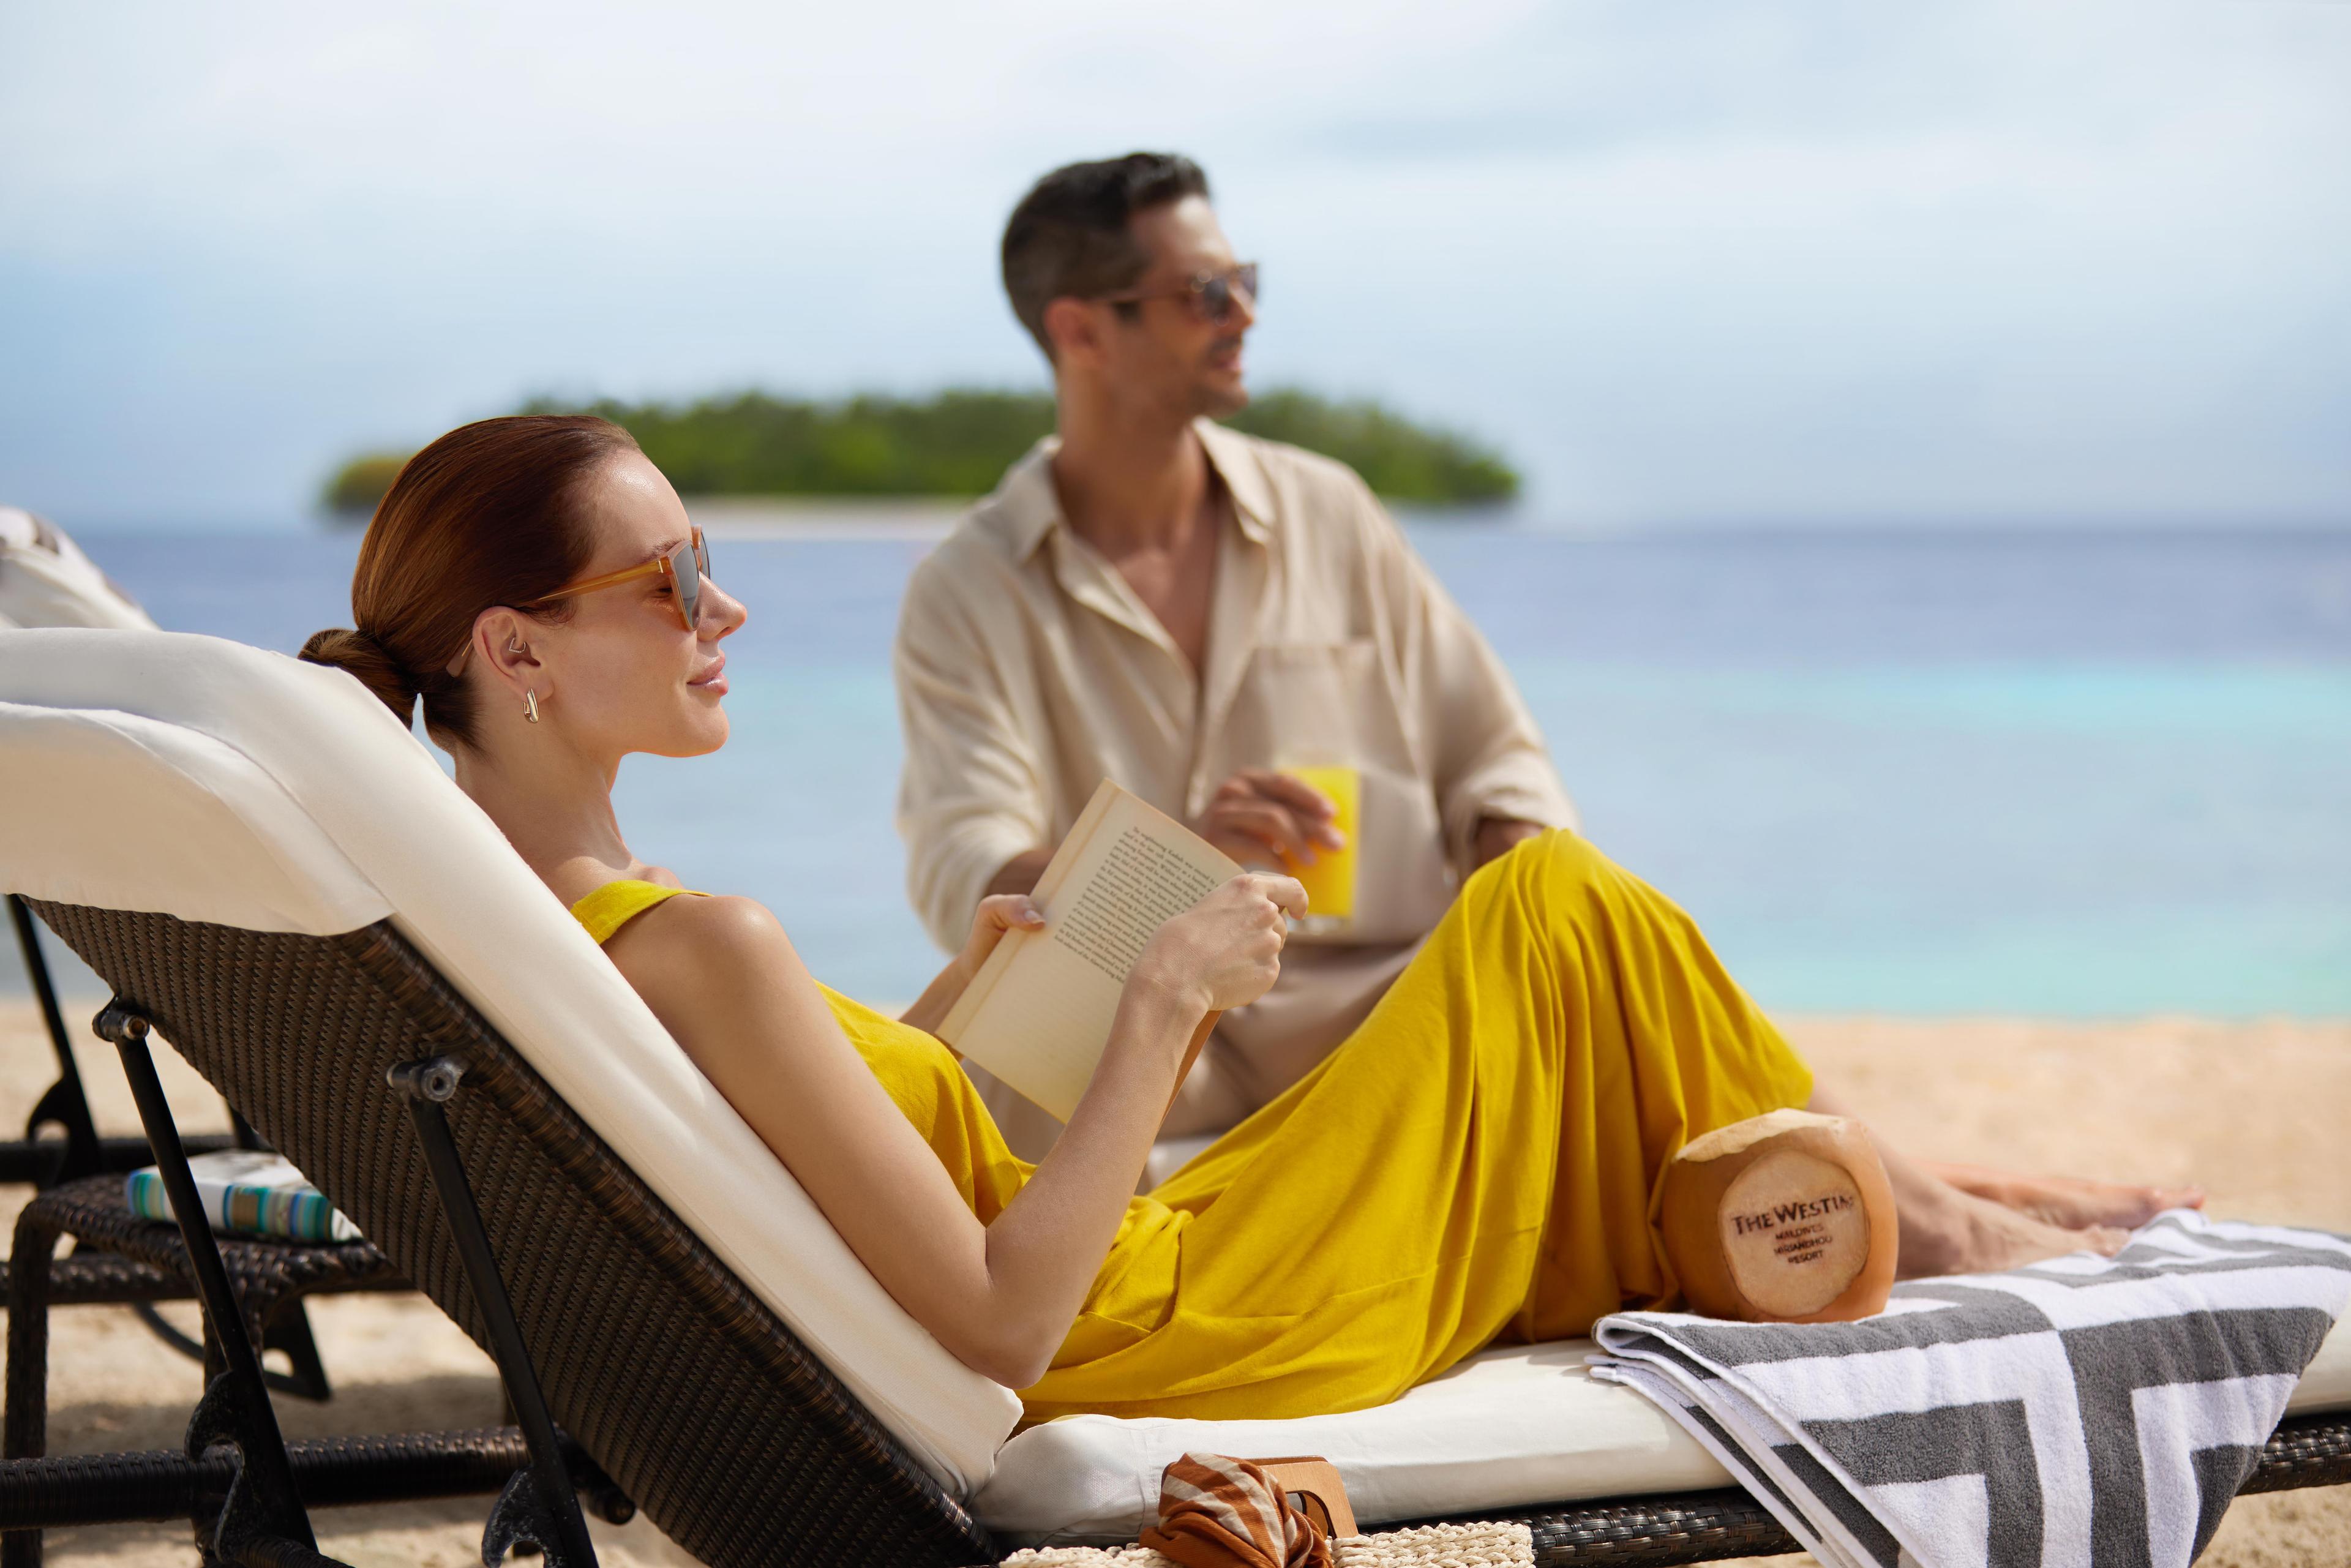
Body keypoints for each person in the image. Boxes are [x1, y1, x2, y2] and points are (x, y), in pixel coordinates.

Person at [301, 413, 2199, 1423]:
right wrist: (1161, 1007)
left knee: (1559, 952)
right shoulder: (695, 939)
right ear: (514, 650)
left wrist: (1035, 945)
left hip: (1168, 1263)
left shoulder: (555, 926)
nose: (722, 610)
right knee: (1550, 904)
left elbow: (877, 1153)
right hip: (1185, 1309)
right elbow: (1000, 1329)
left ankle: (1895, 1189)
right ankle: (1914, 1204)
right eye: (671, 576)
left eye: (710, 568)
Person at [894, 153, 1576, 1161]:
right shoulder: (969, 587)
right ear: (1080, 330)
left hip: (1382, 1001)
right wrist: (1172, 876)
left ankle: (1896, 1228)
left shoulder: (1331, 511)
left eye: (1244, 281)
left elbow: (1497, 755)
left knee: (1608, 930)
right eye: (1205, 293)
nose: (1243, 315)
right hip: (1153, 1026)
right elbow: (966, 862)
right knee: (985, 1058)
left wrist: (1528, 901)